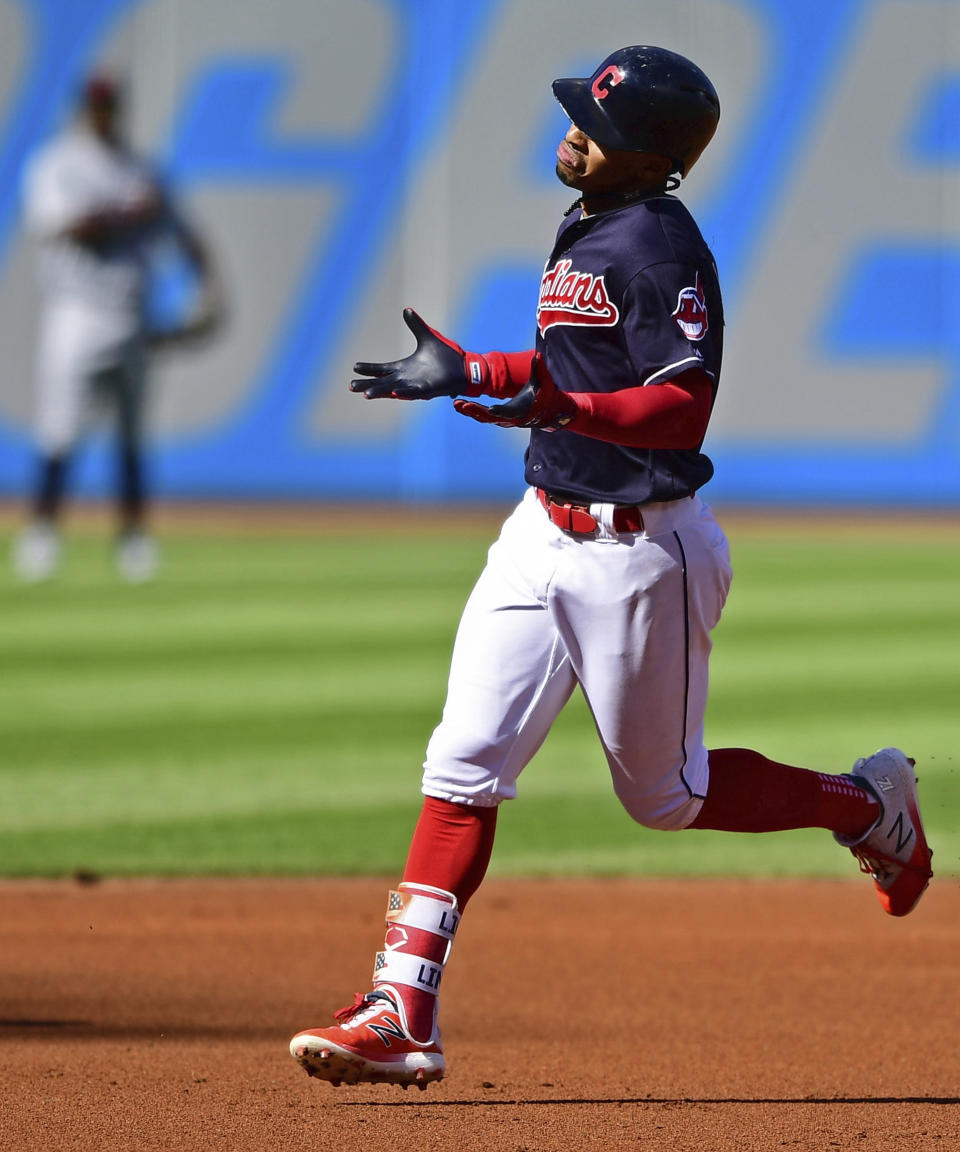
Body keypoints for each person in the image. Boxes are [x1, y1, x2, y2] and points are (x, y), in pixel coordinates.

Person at [289, 46, 933, 1091]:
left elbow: (682, 405)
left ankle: (864, 805)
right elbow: (578, 369)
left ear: (648, 156)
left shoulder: (662, 249)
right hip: (539, 529)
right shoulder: (589, 220)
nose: (573, 128)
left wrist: (553, 404)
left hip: (643, 554)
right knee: (462, 761)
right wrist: (481, 373)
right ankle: (401, 1009)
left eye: (596, 119)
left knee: (665, 798)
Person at [13, 73, 224, 583]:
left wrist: (210, 290)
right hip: (75, 310)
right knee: (60, 431)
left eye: (111, 105)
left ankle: (133, 539)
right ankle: (43, 532)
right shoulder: (58, 164)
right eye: (97, 105)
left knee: (132, 437)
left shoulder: (140, 171)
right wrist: (128, 213)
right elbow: (66, 229)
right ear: (85, 109)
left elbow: (186, 236)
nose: (104, 113)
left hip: (130, 313)